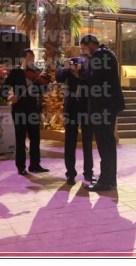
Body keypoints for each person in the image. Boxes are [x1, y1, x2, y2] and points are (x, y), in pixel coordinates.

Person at [80, 35, 125, 192]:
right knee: (109, 143)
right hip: (110, 105)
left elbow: (94, 78)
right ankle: (110, 178)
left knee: (104, 143)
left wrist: (80, 71)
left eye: (84, 48)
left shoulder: (99, 54)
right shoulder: (108, 53)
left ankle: (105, 181)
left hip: (103, 106)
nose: (84, 52)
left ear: (91, 44)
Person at [2, 49, 49, 175]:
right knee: (20, 139)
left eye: (33, 59)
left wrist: (45, 85)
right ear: (22, 59)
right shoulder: (15, 73)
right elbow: (3, 89)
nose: (32, 61)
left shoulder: (35, 73)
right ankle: (21, 166)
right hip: (19, 109)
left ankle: (35, 165)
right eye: (29, 59)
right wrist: (9, 96)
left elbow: (42, 90)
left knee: (35, 138)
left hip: (33, 109)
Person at [55, 55, 94, 185]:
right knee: (70, 142)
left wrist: (81, 71)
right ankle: (70, 173)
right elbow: (59, 77)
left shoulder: (90, 66)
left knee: (87, 142)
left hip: (86, 108)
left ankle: (88, 173)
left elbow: (94, 81)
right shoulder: (71, 64)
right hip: (71, 108)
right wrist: (66, 68)